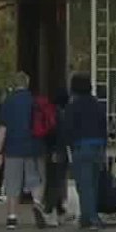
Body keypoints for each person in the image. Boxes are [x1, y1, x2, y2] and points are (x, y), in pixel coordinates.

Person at [0, 72, 47, 229]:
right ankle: (37, 204)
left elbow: (2, 128)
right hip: (33, 147)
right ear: (27, 83)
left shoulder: (8, 102)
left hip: (13, 148)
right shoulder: (34, 100)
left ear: (14, 84)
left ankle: (12, 217)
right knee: (35, 179)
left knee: (12, 182)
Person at [65, 72, 111, 230]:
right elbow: (104, 127)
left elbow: (68, 128)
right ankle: (87, 217)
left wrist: (68, 146)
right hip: (97, 146)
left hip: (81, 147)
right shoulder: (97, 104)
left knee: (84, 185)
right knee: (93, 183)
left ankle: (91, 218)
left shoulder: (73, 106)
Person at [41, 86, 73, 223]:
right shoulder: (62, 114)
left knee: (53, 180)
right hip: (58, 151)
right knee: (57, 182)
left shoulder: (51, 111)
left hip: (48, 150)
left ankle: (60, 210)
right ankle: (48, 211)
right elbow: (62, 135)